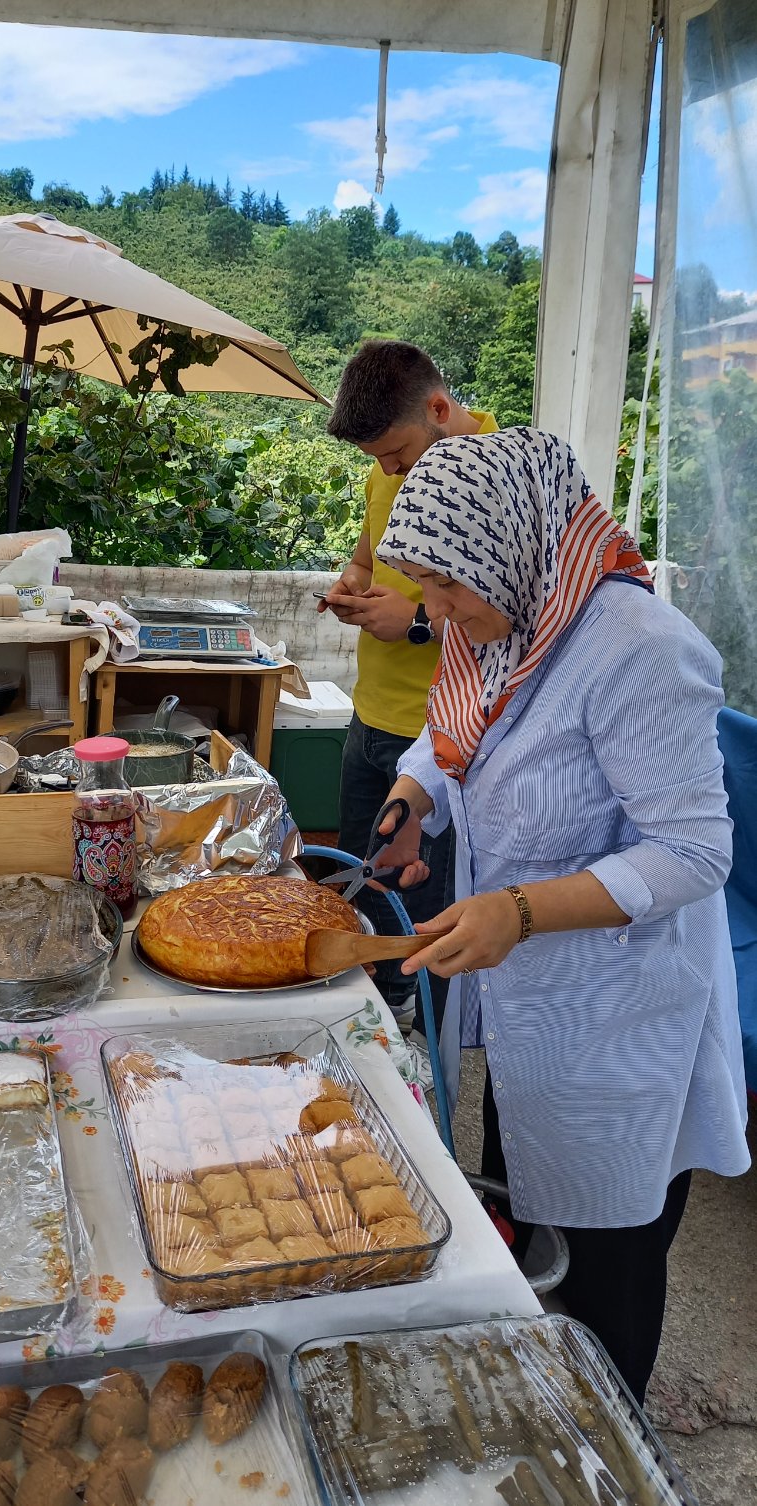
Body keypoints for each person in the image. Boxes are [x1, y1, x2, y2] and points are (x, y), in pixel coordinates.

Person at [368, 425, 750, 1403]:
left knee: (603, 1269)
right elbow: (451, 730)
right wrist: (412, 801)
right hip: (531, 999)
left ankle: (604, 1437)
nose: (435, 614)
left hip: (620, 1013)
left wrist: (521, 910)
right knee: (529, 1219)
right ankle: (534, 1398)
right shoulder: (497, 620)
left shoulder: (638, 653)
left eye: (446, 590)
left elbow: (693, 852)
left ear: (511, 546)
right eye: (427, 590)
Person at [321, 340, 498, 1028]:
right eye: (378, 462)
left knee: (418, 914)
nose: (391, 470)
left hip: (441, 734)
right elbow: (368, 558)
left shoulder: (496, 473)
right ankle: (364, 1016)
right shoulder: (389, 467)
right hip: (372, 722)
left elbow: (515, 622)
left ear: (439, 406)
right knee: (362, 886)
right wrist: (353, 587)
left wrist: (417, 622)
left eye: (397, 453)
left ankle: (410, 1044)